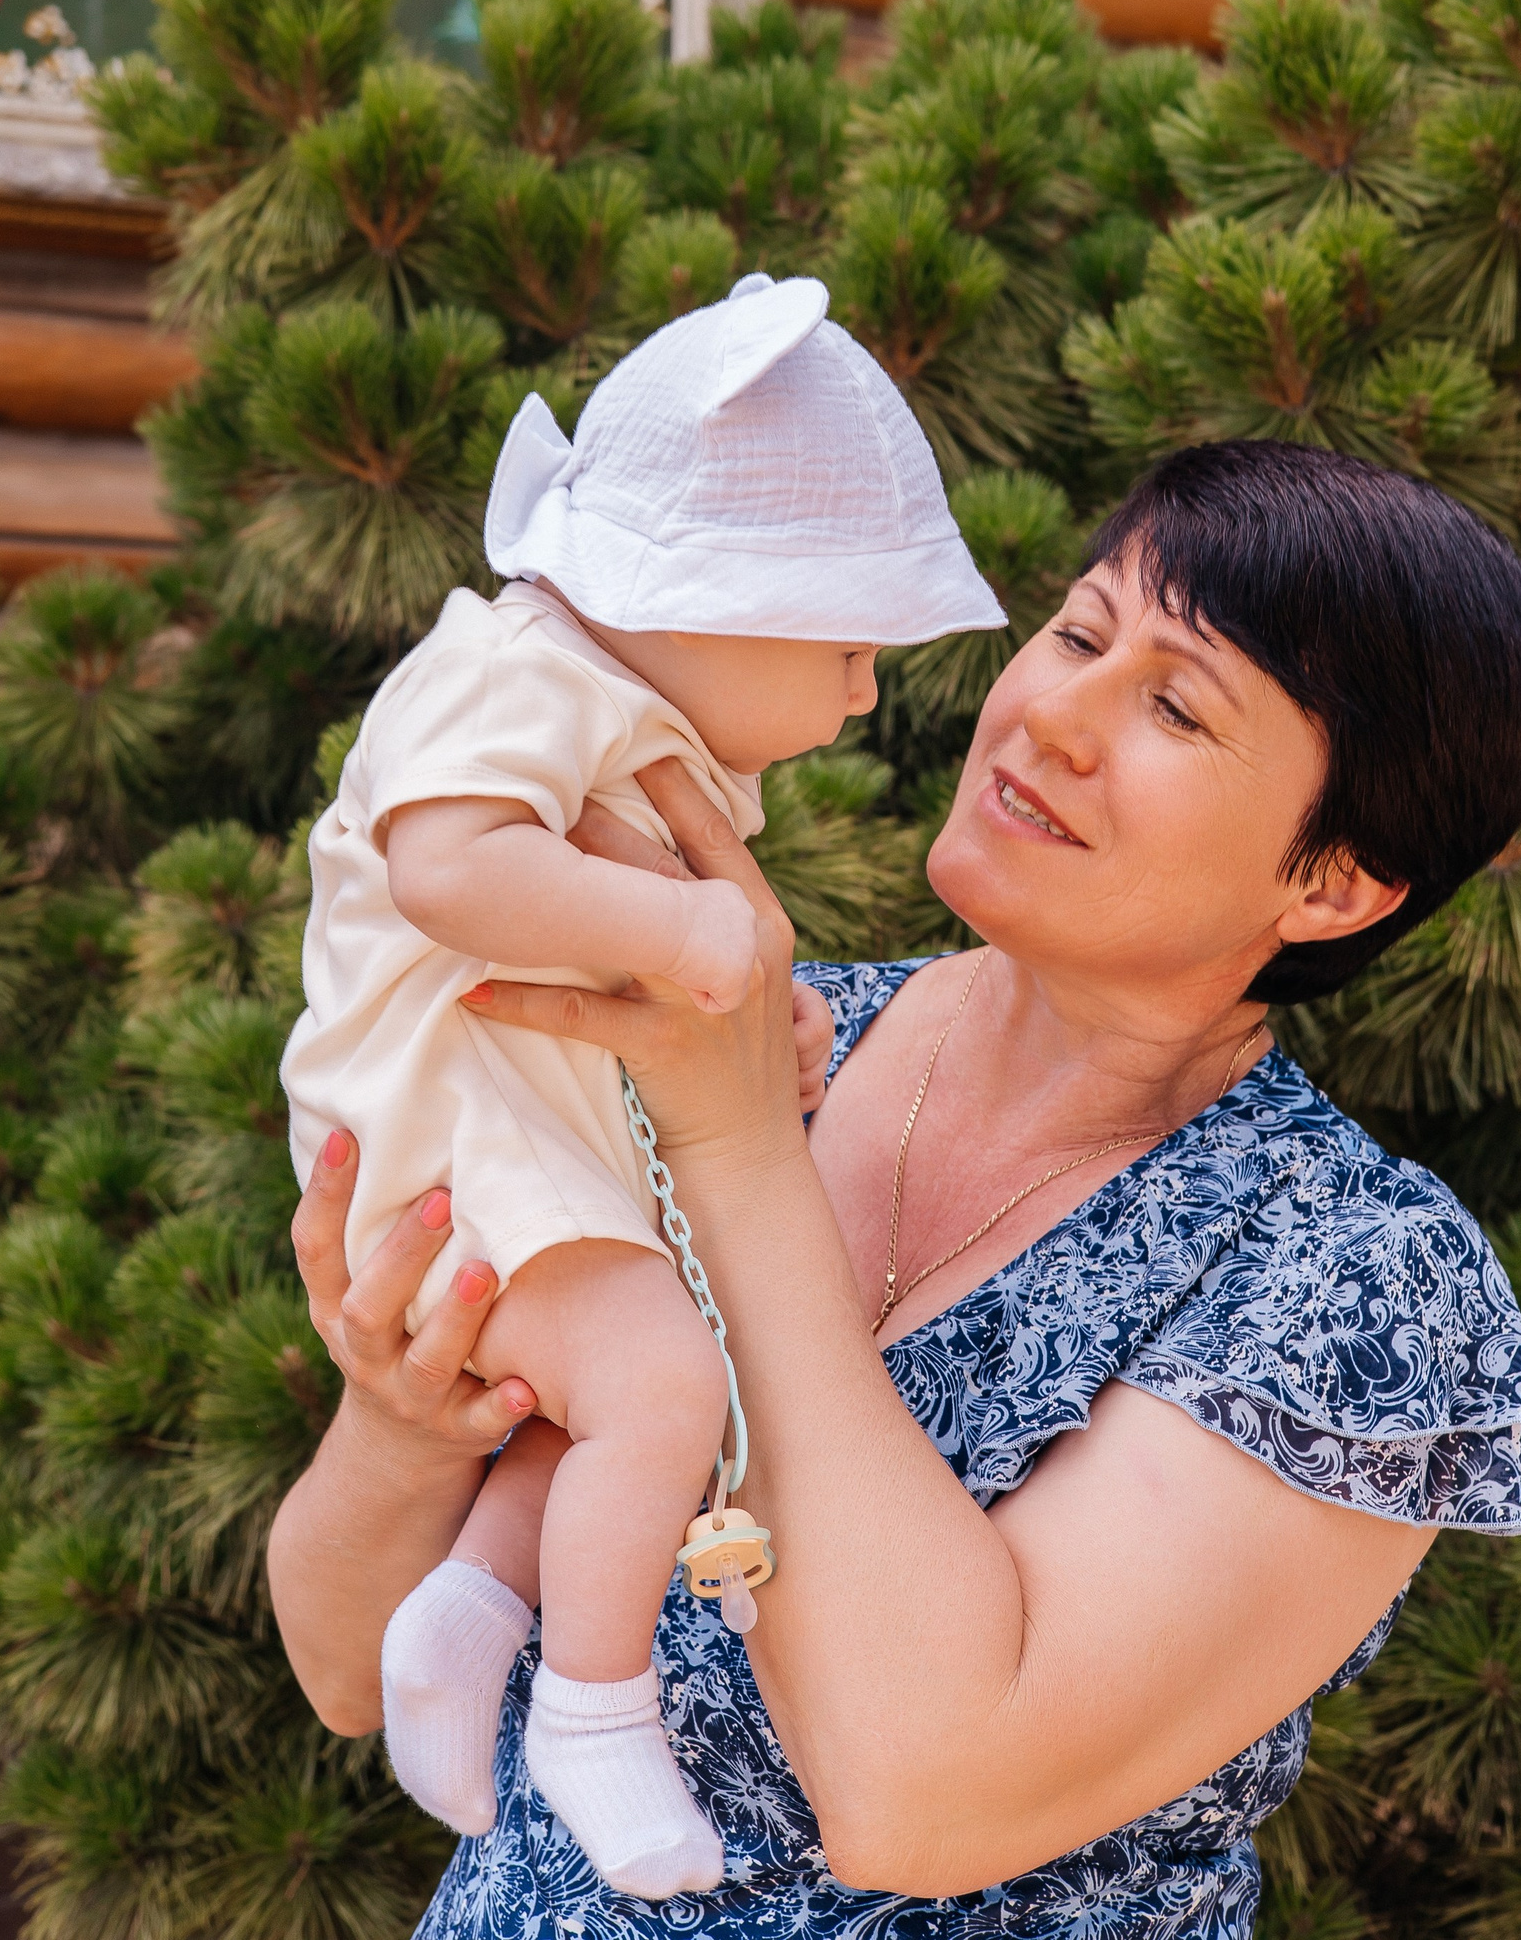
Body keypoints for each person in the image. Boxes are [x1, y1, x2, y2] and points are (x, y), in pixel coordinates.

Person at [269, 438, 1521, 1937]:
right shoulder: (758, 1030)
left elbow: (923, 1799)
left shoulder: (1350, 1272)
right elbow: (350, 1672)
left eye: (1173, 706)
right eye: (1078, 633)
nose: (1051, 716)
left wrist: (739, 1150)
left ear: (1330, 883)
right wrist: (403, 1426)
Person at [278, 271, 1003, 1902]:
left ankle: (472, 1612)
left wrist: (757, 1013)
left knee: (613, 1391)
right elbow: (449, 864)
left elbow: (633, 980)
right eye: (850, 643)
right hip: (453, 1134)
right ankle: (593, 1719)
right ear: (718, 596)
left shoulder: (603, 716)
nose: (866, 692)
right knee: (667, 1387)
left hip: (521, 1132)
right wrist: (687, 931)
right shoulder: (517, 673)